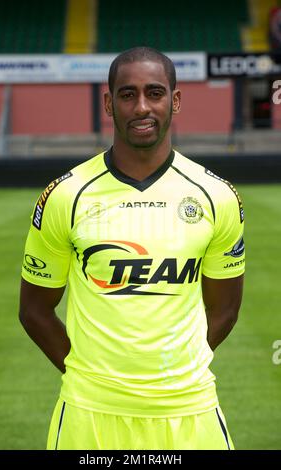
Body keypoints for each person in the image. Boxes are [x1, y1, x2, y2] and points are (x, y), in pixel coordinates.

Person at [19, 46, 245, 450]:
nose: (142, 107)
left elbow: (225, 308)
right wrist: (87, 375)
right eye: (127, 94)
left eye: (155, 93)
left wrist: (175, 372)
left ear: (175, 101)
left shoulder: (216, 196)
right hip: (89, 413)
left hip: (189, 410)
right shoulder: (65, 194)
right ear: (109, 103)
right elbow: (34, 310)